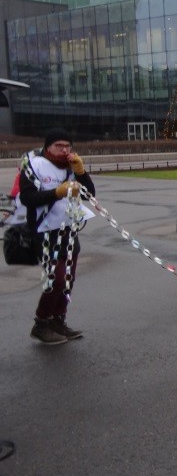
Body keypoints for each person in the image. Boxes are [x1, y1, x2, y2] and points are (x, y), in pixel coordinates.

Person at [17, 128, 97, 345]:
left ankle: (58, 320)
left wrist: (81, 172)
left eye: (67, 146)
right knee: (57, 278)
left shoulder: (70, 167)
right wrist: (56, 192)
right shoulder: (33, 166)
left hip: (69, 230)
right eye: (59, 146)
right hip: (44, 231)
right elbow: (27, 198)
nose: (64, 150)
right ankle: (41, 323)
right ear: (47, 147)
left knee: (68, 279)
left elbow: (89, 193)